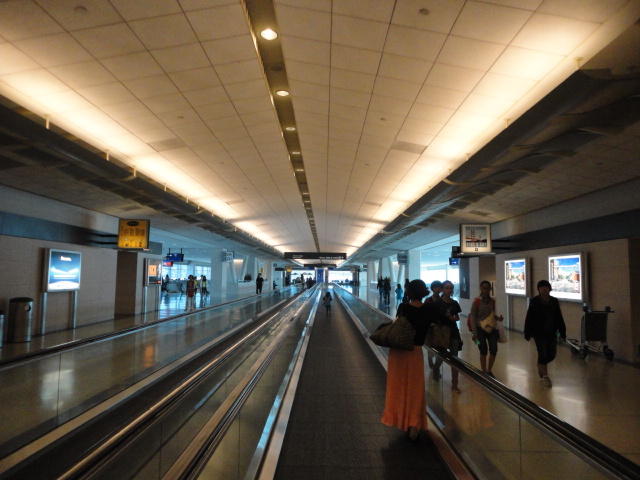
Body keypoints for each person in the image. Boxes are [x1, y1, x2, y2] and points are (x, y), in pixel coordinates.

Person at [382, 279, 438, 441]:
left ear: (409, 292)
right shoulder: (429, 309)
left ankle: (399, 418)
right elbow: (436, 325)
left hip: (399, 352)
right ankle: (414, 423)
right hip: (416, 352)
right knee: (415, 388)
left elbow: (398, 325)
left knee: (398, 386)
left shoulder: (404, 308)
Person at [524, 280, 566, 388]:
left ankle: (541, 365)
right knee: (542, 353)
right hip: (538, 333)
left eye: (546, 287)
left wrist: (563, 332)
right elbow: (529, 317)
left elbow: (559, 317)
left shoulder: (554, 301)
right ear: (538, 289)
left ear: (549, 288)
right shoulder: (534, 301)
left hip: (551, 332)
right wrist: (527, 332)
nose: (544, 289)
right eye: (541, 287)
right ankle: (545, 376)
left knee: (551, 354)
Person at [432, 280, 463, 391]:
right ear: (442, 289)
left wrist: (452, 318)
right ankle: (436, 369)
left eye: (450, 288)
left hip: (453, 332)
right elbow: (433, 318)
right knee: (441, 356)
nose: (449, 290)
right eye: (447, 288)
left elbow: (457, 318)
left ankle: (455, 384)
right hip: (442, 334)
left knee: (455, 358)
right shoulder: (437, 303)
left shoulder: (454, 303)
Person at [468, 280, 503, 377]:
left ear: (490, 289)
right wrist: (474, 332)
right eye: (484, 288)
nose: (486, 290)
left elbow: (492, 315)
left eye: (488, 288)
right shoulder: (477, 302)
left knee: (494, 349)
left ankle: (489, 370)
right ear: (481, 288)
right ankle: (483, 371)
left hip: (491, 328)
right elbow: (473, 317)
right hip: (480, 329)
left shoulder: (492, 301)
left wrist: (498, 318)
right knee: (483, 349)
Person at [426, 280, 443, 369]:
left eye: (439, 287)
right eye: (435, 287)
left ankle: (436, 367)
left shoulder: (442, 300)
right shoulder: (428, 300)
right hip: (430, 328)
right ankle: (431, 363)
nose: (437, 289)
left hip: (440, 328)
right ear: (432, 288)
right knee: (430, 346)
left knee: (440, 347)